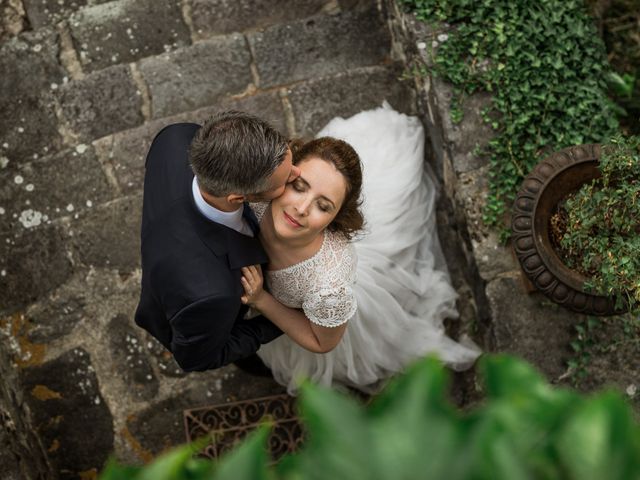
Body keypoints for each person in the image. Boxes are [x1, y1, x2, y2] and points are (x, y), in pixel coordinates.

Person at [240, 103, 481, 394]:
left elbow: (322, 342)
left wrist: (263, 300)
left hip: (291, 322)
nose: (301, 208)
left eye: (323, 205)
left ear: (335, 219)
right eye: (300, 186)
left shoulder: (330, 289)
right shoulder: (260, 193)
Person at [134, 110, 300, 373]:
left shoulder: (176, 138)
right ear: (237, 198)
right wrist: (286, 319)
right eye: (282, 181)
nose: (297, 173)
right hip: (206, 314)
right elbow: (198, 359)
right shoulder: (211, 293)